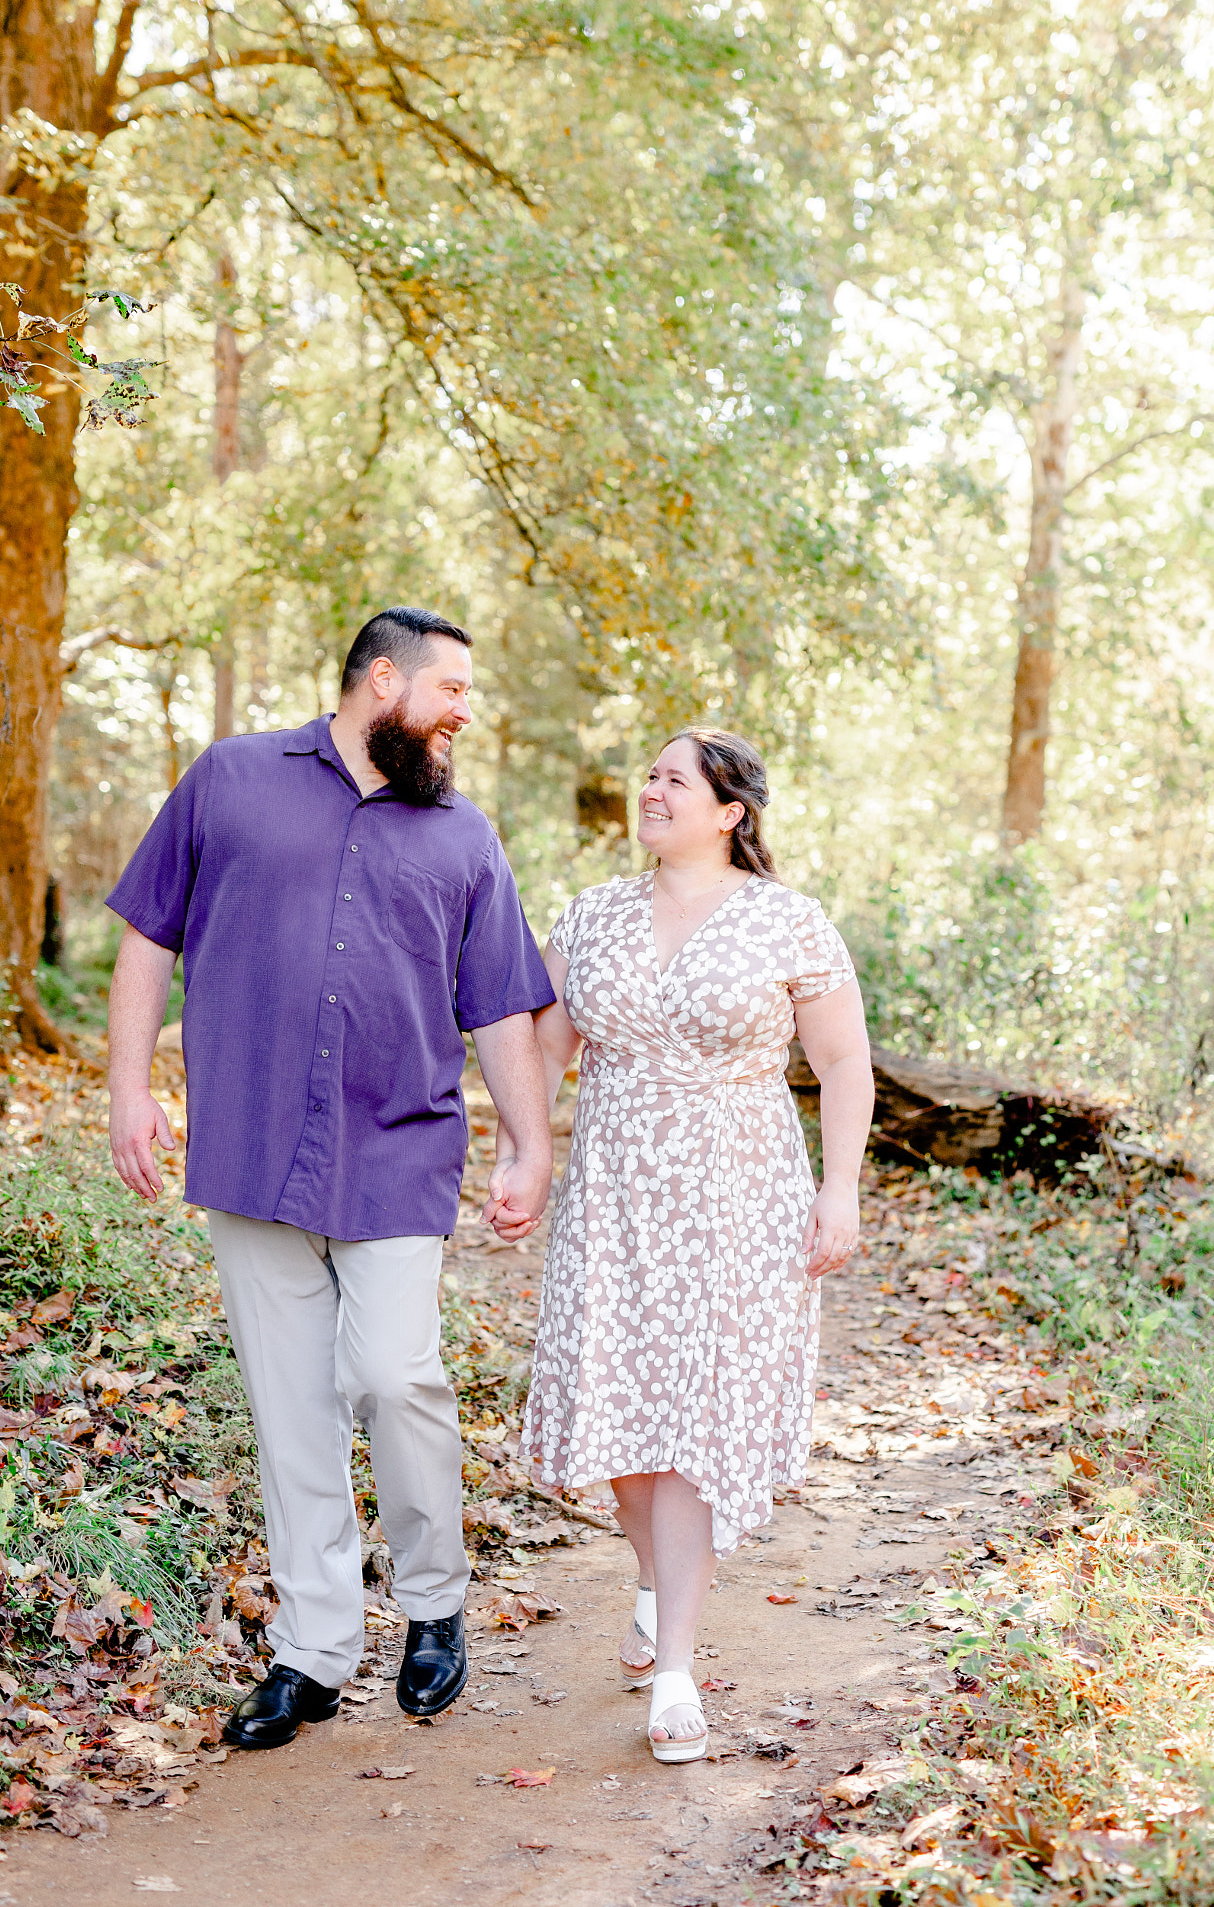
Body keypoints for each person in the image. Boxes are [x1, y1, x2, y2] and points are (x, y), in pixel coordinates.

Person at [105, 607, 555, 1750]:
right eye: (450, 688)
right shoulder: (232, 779)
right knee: (291, 1412)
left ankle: (434, 1599)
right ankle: (311, 1652)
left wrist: (527, 1140)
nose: (463, 709)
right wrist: (126, 1089)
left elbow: (501, 1000)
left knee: (398, 1377)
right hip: (249, 1147)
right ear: (382, 680)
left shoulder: (462, 833)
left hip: (399, 1148)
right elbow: (149, 937)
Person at [503, 729, 873, 1763]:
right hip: (616, 1193)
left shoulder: (787, 921)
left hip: (738, 1196)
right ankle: (658, 1572)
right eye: (651, 774)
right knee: (622, 1428)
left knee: (693, 1426)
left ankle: (673, 1669)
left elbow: (843, 1060)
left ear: (730, 812)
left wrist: (837, 1188)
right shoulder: (593, 912)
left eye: (675, 778)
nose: (651, 790)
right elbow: (539, 1043)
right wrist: (521, 1152)